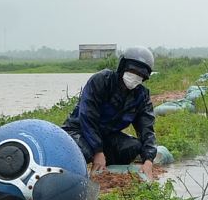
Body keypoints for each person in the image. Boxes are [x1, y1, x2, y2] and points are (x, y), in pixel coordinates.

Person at [62, 45, 158, 177]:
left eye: (140, 74)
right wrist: (98, 151)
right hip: (79, 130)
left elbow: (147, 128)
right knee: (84, 151)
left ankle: (107, 169)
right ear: (122, 67)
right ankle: (78, 171)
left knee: (133, 146)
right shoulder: (101, 81)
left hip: (107, 135)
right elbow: (87, 117)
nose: (135, 76)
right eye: (132, 71)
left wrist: (148, 160)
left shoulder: (141, 96)